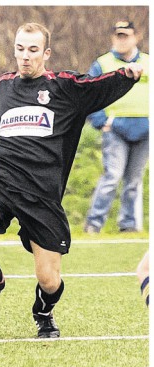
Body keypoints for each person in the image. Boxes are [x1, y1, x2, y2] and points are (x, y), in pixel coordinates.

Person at [0, 22, 142, 338]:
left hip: (42, 194)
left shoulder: (64, 88)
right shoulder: (4, 87)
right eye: (20, 49)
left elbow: (98, 84)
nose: (25, 56)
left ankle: (43, 314)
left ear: (46, 53)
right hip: (1, 180)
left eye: (33, 50)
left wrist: (127, 75)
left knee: (49, 281)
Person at [84, 21, 149, 234]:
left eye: (125, 36)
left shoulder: (149, 62)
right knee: (112, 177)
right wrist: (101, 121)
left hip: (145, 129)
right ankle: (94, 224)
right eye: (118, 36)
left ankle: (128, 225)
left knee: (133, 181)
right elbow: (89, 94)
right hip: (116, 129)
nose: (121, 40)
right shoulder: (103, 64)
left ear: (135, 37)